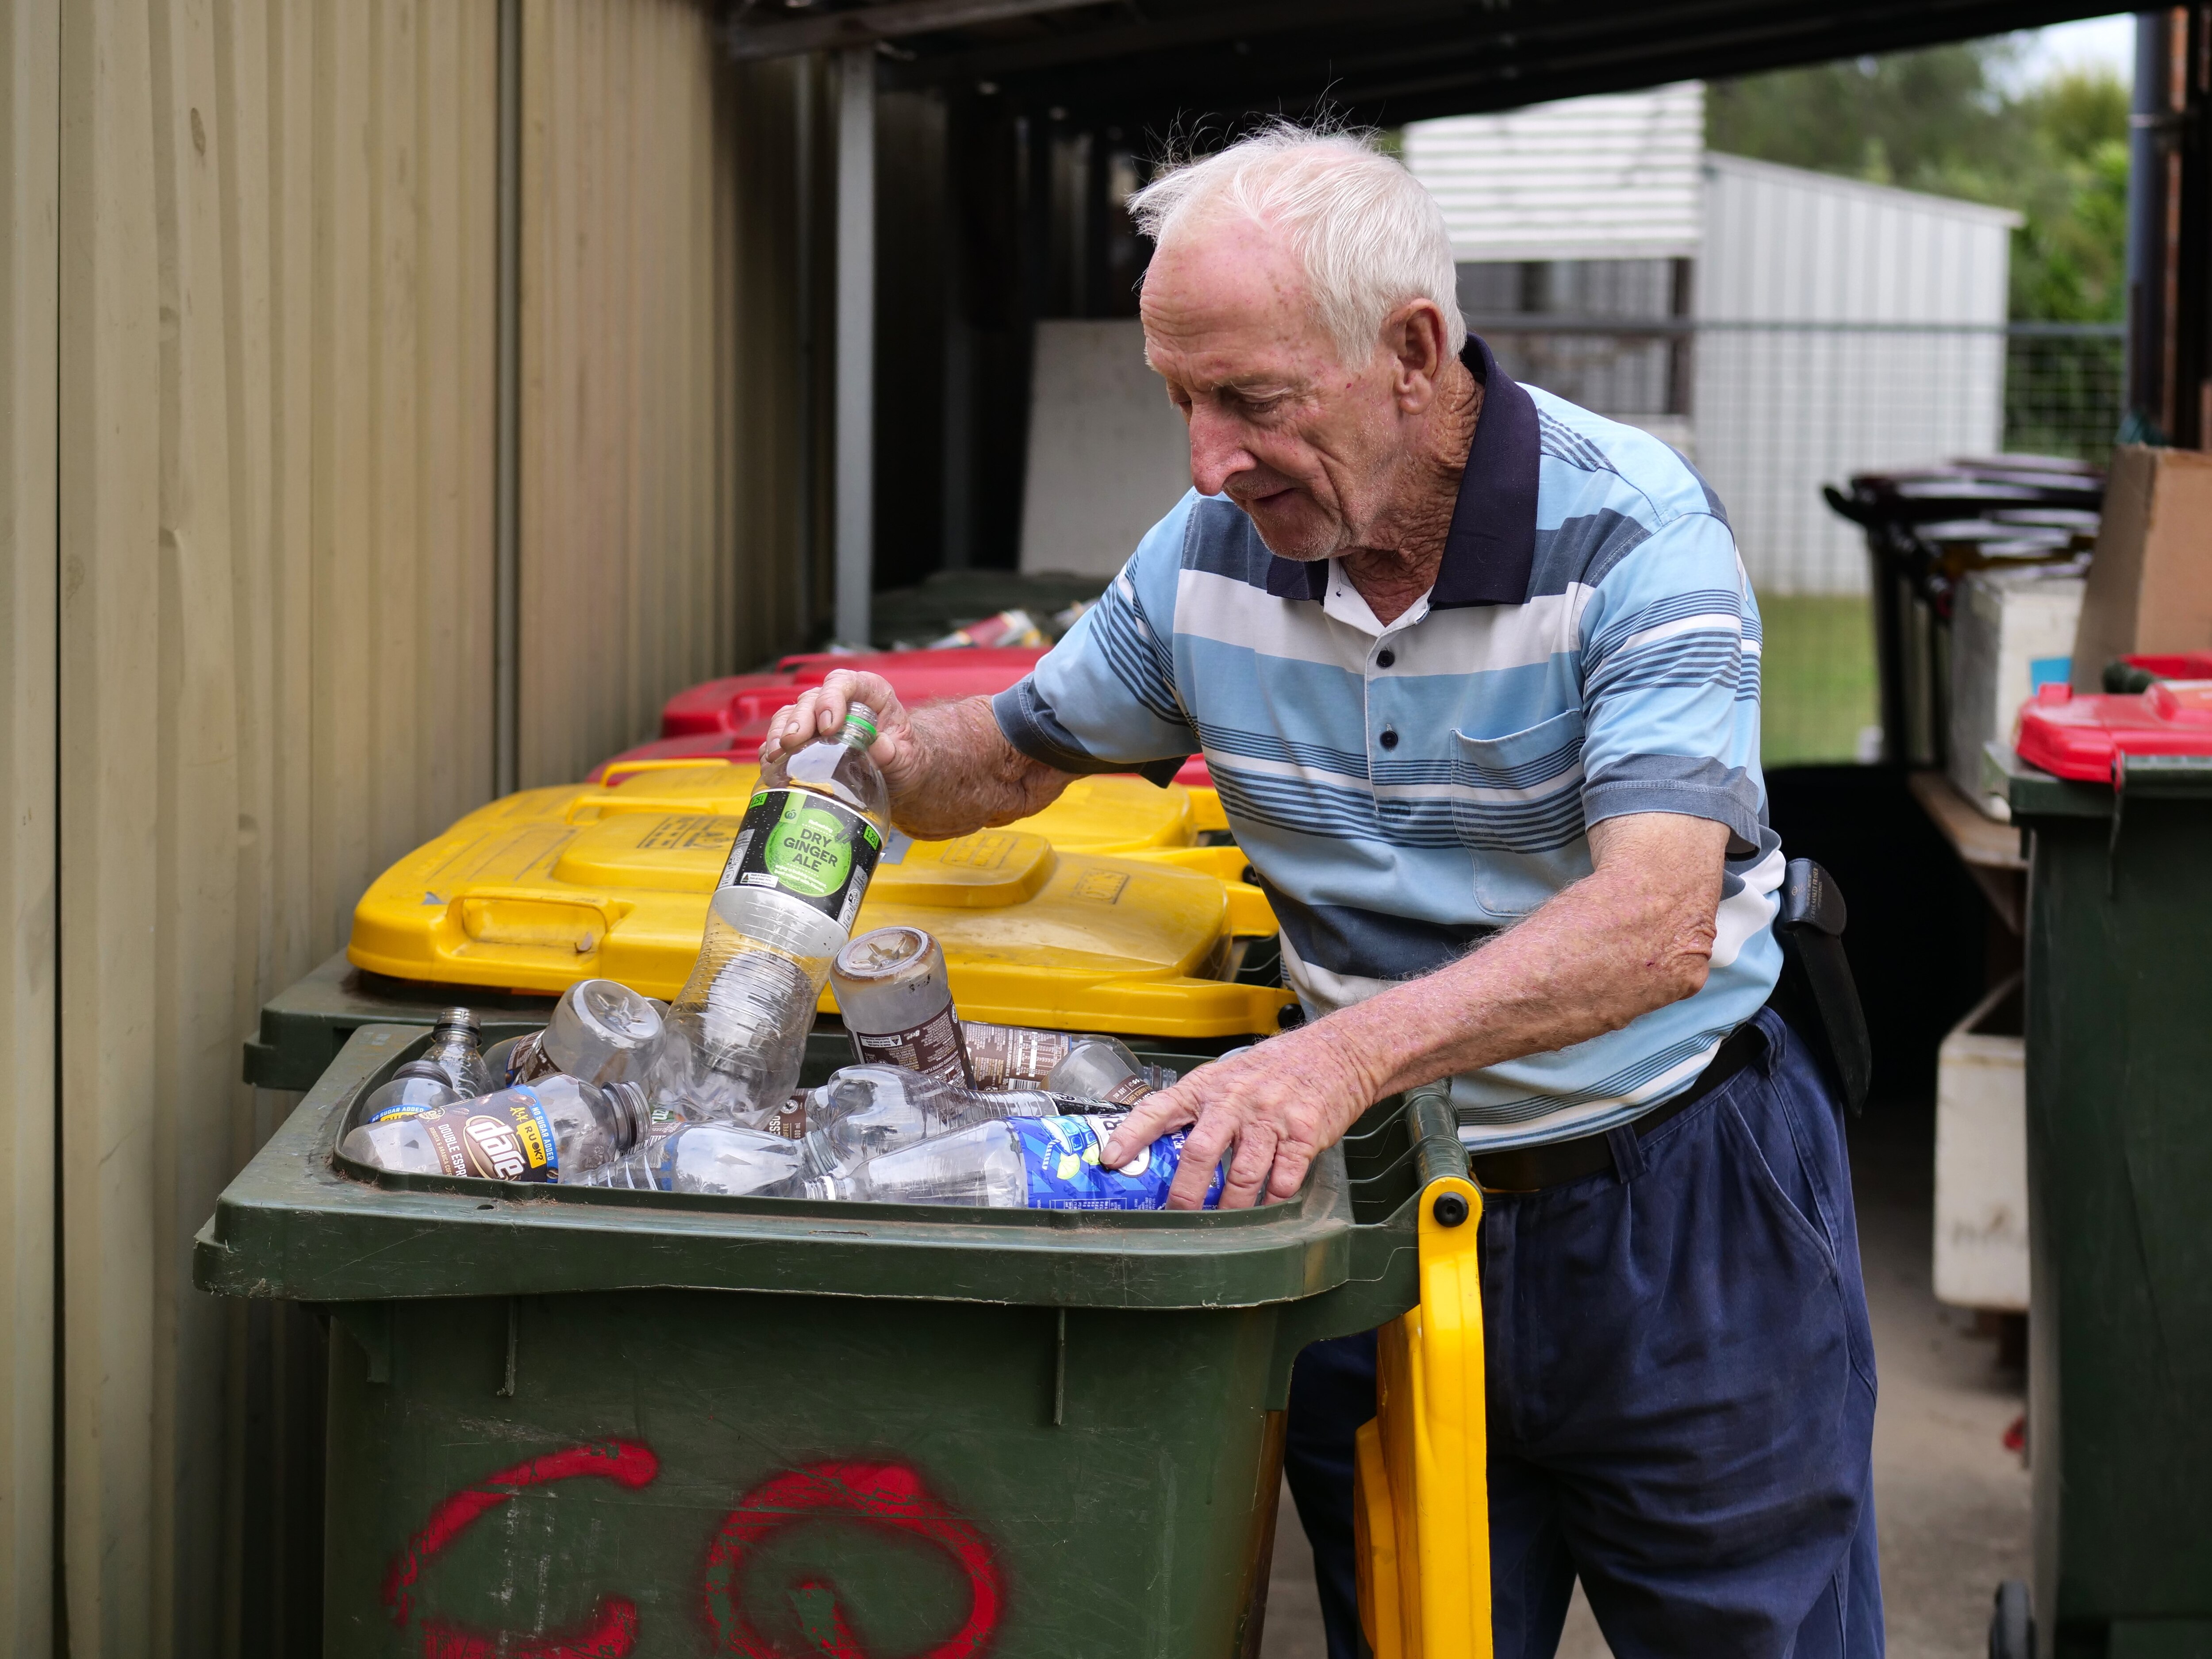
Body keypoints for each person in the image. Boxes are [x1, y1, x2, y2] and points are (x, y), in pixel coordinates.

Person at [761, 124, 1882, 1659]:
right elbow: (1016, 756)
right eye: (1180, 399)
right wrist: (876, 749)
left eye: (1250, 401)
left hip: (1676, 1206)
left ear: (1413, 352)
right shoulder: (1206, 559)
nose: (1206, 458)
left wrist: (1328, 1058)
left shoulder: (1637, 538)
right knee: (1422, 1633)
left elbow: (1657, 925)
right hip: (1380, 1218)